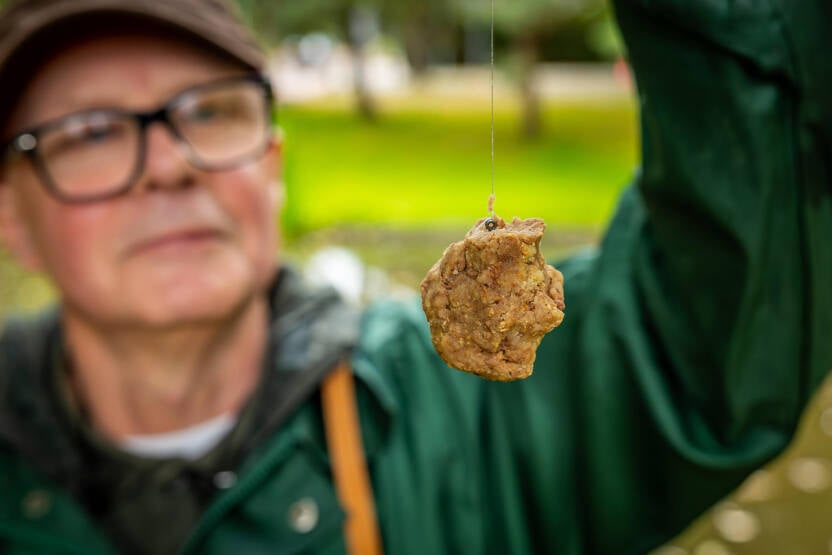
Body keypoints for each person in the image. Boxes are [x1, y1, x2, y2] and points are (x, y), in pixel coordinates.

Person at [0, 0, 829, 554]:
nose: (170, 167)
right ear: (10, 216)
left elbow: (732, 305)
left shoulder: (469, 421)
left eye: (209, 111)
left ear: (273, 168)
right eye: (93, 130)